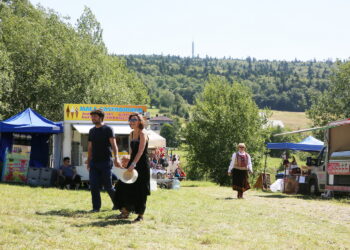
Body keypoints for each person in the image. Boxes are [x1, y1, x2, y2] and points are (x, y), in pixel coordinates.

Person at [114, 113, 150, 222]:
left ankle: (140, 215)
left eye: (134, 119)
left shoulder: (143, 133)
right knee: (123, 186)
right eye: (130, 120)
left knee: (140, 190)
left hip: (142, 164)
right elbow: (132, 152)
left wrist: (133, 164)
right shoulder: (131, 134)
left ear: (140, 121)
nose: (132, 121)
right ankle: (125, 211)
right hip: (132, 164)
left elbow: (140, 151)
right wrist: (125, 160)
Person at [87, 109, 121, 212]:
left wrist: (116, 158)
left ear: (101, 117)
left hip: (106, 162)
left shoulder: (108, 129)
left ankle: (118, 204)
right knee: (93, 186)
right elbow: (89, 147)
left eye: (95, 116)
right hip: (94, 163)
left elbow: (114, 145)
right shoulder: (91, 131)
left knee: (108, 186)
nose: (93, 118)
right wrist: (89, 161)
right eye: (92, 116)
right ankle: (96, 208)